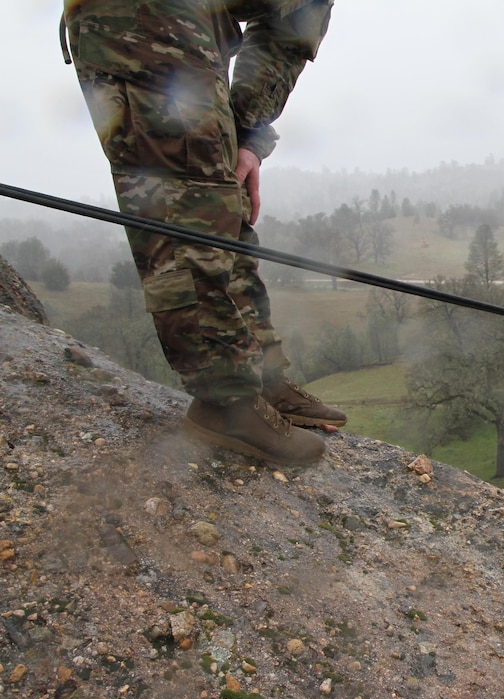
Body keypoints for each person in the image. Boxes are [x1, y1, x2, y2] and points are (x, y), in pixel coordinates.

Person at [61, 0, 345, 466]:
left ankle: (257, 377)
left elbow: (288, 28)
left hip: (196, 21)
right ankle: (226, 401)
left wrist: (248, 136)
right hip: (143, 12)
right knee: (189, 201)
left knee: (220, 200)